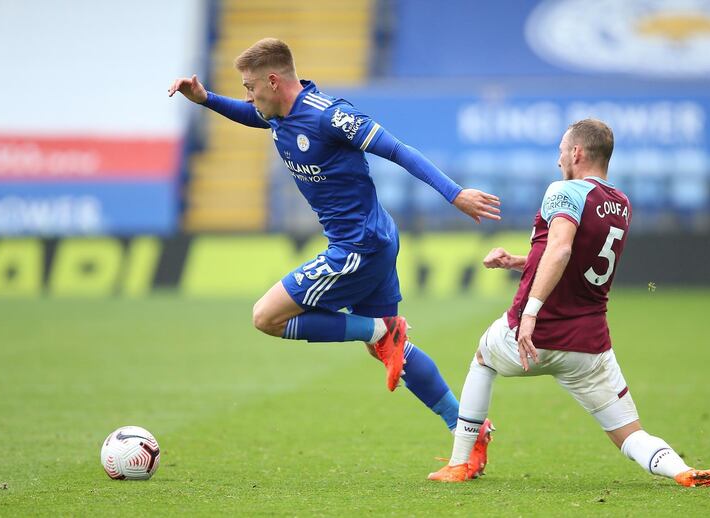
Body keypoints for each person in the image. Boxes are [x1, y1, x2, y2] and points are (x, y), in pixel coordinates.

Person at [169, 38, 498, 475]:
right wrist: (207, 99)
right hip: (374, 239)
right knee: (382, 350)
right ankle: (468, 429)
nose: (248, 96)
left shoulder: (329, 116)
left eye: (250, 86)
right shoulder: (277, 114)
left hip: (357, 247)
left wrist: (454, 193)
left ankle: (383, 328)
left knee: (266, 317)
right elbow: (253, 115)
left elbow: (397, 149)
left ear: (273, 80)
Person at [428, 119, 710, 488]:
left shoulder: (565, 190)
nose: (558, 159)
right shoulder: (621, 204)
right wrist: (517, 261)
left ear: (576, 153)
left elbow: (562, 248)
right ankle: (684, 472)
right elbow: (575, 259)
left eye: (561, 151)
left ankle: (460, 461)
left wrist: (530, 314)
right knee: (630, 434)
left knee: (483, 359)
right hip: (590, 347)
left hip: (535, 334)